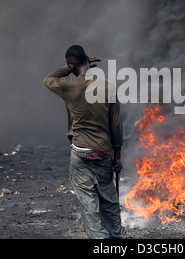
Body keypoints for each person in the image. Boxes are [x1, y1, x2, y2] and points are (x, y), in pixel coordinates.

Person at [43, 45, 126, 239]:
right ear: (88, 63)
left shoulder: (69, 86)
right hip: (104, 153)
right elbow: (116, 126)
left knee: (89, 204)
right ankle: (118, 237)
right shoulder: (108, 85)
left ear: (72, 65)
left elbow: (48, 80)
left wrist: (70, 67)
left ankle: (100, 241)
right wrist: (118, 157)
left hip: (81, 152)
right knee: (110, 201)